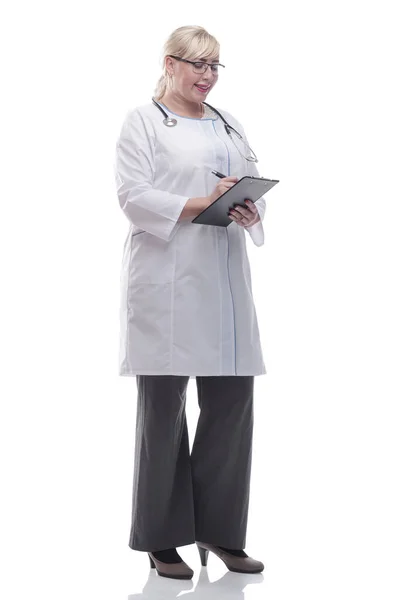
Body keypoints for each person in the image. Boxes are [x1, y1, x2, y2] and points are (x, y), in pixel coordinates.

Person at [114, 25, 268, 580]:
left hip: (224, 284)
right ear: (170, 64)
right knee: (163, 414)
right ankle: (162, 539)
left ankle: (221, 534)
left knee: (231, 409)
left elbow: (247, 183)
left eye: (215, 66)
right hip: (170, 287)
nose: (207, 76)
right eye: (197, 65)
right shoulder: (144, 122)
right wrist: (199, 202)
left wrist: (248, 208)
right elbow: (133, 196)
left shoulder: (229, 123)